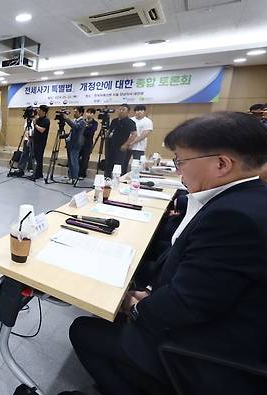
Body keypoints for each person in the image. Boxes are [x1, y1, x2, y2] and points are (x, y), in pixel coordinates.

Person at [66, 111, 267, 395]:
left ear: (221, 164)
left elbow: (188, 305)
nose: (179, 170)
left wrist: (135, 308)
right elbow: (204, 287)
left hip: (207, 353)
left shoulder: (235, 217)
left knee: (84, 331)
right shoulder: (246, 199)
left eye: (181, 161)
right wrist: (150, 294)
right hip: (220, 321)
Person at [104, 104, 137, 178]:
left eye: (123, 110)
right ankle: (106, 180)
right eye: (120, 109)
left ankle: (116, 182)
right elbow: (110, 130)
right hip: (110, 145)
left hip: (120, 147)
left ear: (128, 112)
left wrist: (126, 144)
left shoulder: (130, 122)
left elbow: (134, 134)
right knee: (108, 164)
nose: (121, 111)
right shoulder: (114, 121)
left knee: (117, 166)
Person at [62, 107, 87, 183]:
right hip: (70, 143)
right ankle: (71, 177)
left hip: (76, 144)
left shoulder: (82, 122)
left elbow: (75, 127)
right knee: (70, 162)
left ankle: (75, 178)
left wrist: (67, 119)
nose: (74, 113)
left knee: (74, 161)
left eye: (76, 112)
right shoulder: (75, 120)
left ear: (81, 113)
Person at [30, 105, 50, 181]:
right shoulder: (38, 119)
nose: (38, 112)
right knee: (36, 157)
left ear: (44, 112)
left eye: (40, 111)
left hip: (41, 142)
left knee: (39, 158)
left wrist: (35, 124)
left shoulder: (46, 120)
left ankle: (37, 174)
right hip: (35, 140)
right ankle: (39, 173)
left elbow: (42, 130)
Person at [78, 108, 98, 179]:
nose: (89, 114)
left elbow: (91, 131)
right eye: (88, 112)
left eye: (91, 113)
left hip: (88, 143)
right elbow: (78, 130)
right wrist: (86, 128)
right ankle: (75, 173)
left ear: (93, 114)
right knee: (76, 157)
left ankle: (82, 174)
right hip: (79, 142)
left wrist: (84, 129)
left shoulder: (95, 123)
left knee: (85, 159)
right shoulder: (82, 121)